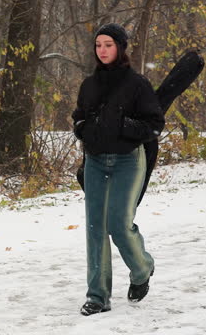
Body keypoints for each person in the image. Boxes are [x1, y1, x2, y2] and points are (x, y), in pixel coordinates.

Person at [71, 23, 165, 316]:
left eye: (108, 45)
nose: (102, 50)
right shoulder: (89, 85)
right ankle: (98, 296)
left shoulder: (137, 85)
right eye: (98, 45)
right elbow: (79, 117)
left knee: (119, 225)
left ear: (120, 48)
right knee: (95, 228)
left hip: (128, 160)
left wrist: (123, 126)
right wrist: (83, 129)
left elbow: (154, 124)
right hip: (96, 162)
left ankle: (142, 269)